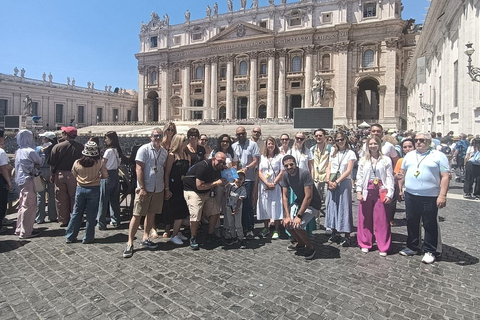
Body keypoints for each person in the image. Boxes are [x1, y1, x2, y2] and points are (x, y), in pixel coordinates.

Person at [398, 132, 450, 264]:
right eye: (416, 140)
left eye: (422, 140)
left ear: (429, 141)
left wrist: (442, 195)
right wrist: (399, 184)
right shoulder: (409, 155)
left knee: (429, 223)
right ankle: (412, 246)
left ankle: (430, 250)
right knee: (411, 221)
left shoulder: (439, 156)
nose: (418, 142)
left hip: (430, 195)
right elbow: (402, 173)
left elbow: (445, 176)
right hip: (411, 194)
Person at [123, 128, 167, 258]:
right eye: (155, 136)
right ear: (151, 137)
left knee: (151, 214)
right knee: (137, 215)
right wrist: (142, 188)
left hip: (158, 188)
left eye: (160, 136)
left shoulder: (164, 152)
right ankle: (130, 242)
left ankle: (145, 238)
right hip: (145, 188)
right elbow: (139, 169)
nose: (158, 138)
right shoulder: (144, 149)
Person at [356, 136, 394, 256]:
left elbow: (389, 177)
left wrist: (390, 193)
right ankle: (365, 242)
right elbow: (359, 176)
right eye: (370, 144)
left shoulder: (386, 159)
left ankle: (383, 245)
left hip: (381, 191)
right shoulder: (363, 160)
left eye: (375, 144)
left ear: (379, 145)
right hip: (367, 190)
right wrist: (358, 191)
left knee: (382, 219)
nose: (373, 146)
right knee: (365, 218)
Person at [280, 155, 321, 260]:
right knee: (286, 223)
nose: (289, 167)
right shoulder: (285, 175)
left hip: (313, 203)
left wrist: (299, 216)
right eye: (286, 166)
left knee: (298, 224)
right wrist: (287, 215)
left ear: (295, 164)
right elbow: (284, 196)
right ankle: (301, 243)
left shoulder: (304, 173)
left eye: (291, 164)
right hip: (300, 200)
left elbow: (309, 197)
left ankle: (310, 247)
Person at [183, 152, 227, 250]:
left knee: (216, 211)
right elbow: (199, 185)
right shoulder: (204, 166)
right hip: (193, 190)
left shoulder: (219, 168)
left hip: (206, 191)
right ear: (214, 159)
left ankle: (210, 235)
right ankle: (193, 237)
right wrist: (216, 183)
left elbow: (221, 180)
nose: (221, 164)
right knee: (196, 214)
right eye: (219, 161)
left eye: (223, 162)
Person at [66, 141, 108, 244]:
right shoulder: (99, 163)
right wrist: (98, 178)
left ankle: (70, 236)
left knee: (77, 212)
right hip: (94, 188)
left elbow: (73, 173)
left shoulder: (77, 162)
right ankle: (88, 237)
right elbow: (105, 175)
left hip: (80, 188)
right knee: (91, 214)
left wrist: (80, 179)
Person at [325, 131, 356, 246]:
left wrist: (337, 181)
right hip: (332, 181)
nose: (339, 142)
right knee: (332, 206)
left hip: (343, 182)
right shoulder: (333, 151)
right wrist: (328, 180)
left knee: (344, 207)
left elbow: (348, 170)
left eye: (341, 139)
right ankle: (334, 232)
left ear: (345, 139)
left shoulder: (350, 153)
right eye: (337, 140)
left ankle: (347, 235)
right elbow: (329, 167)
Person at [48, 127, 84, 227]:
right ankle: (76, 219)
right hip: (74, 175)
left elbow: (52, 163)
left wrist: (52, 174)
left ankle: (63, 220)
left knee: (61, 198)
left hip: (60, 175)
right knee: (75, 198)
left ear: (66, 135)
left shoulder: (57, 147)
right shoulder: (80, 147)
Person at [14, 130, 44, 239]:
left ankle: (19, 228)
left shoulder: (19, 151)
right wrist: (41, 153)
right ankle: (26, 231)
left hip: (21, 180)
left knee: (22, 204)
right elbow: (40, 161)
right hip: (29, 180)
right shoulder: (30, 151)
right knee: (29, 206)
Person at [232, 126, 260, 239]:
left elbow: (255, 161)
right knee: (239, 203)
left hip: (248, 178)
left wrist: (246, 168)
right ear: (236, 135)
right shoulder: (233, 146)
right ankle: (241, 227)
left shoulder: (253, 145)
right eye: (239, 134)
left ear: (246, 133)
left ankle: (250, 228)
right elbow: (234, 162)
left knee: (248, 204)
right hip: (238, 180)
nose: (241, 136)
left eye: (243, 133)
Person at [163, 134, 190, 245]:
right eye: (184, 140)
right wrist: (167, 188)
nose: (186, 142)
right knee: (178, 211)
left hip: (184, 186)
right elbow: (167, 173)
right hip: (174, 186)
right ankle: (173, 235)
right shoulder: (171, 155)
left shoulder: (186, 155)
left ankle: (177, 232)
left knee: (183, 211)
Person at [257, 137, 284, 239]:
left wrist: (273, 183)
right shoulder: (262, 157)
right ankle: (265, 227)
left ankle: (276, 229)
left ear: (275, 145)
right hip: (264, 185)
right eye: (269, 144)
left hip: (275, 185)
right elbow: (259, 171)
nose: (270, 146)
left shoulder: (279, 157)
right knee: (265, 206)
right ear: (266, 145)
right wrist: (266, 183)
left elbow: (281, 171)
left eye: (272, 144)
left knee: (275, 206)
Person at [97, 131, 124, 230]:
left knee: (103, 200)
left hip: (107, 174)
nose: (105, 140)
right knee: (114, 200)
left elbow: (103, 164)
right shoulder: (118, 151)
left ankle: (101, 223)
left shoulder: (108, 151)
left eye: (106, 138)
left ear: (111, 139)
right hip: (115, 175)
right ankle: (116, 221)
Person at [35, 132, 58, 224]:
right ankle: (53, 216)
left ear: (47, 139)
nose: (42, 139)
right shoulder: (55, 148)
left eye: (43, 137)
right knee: (52, 195)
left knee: (41, 195)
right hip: (52, 171)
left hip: (41, 172)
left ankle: (40, 217)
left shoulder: (39, 149)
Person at [310, 129, 330, 215]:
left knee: (328, 201)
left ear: (324, 137)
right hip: (316, 178)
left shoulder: (330, 149)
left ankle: (329, 223)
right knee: (316, 202)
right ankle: (316, 221)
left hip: (326, 178)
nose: (318, 137)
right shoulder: (312, 149)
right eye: (316, 136)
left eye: (320, 135)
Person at [224, 171, 247, 248]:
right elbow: (225, 193)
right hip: (229, 207)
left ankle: (241, 238)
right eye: (237, 178)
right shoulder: (230, 186)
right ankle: (233, 237)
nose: (239, 180)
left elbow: (240, 199)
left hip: (237, 208)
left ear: (243, 180)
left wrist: (236, 209)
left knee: (238, 224)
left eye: (241, 179)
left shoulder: (242, 189)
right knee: (230, 223)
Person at [0, 129, 13, 234]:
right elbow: (3, 168)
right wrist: (9, 182)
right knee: (2, 203)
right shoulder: (1, 152)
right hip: (1, 180)